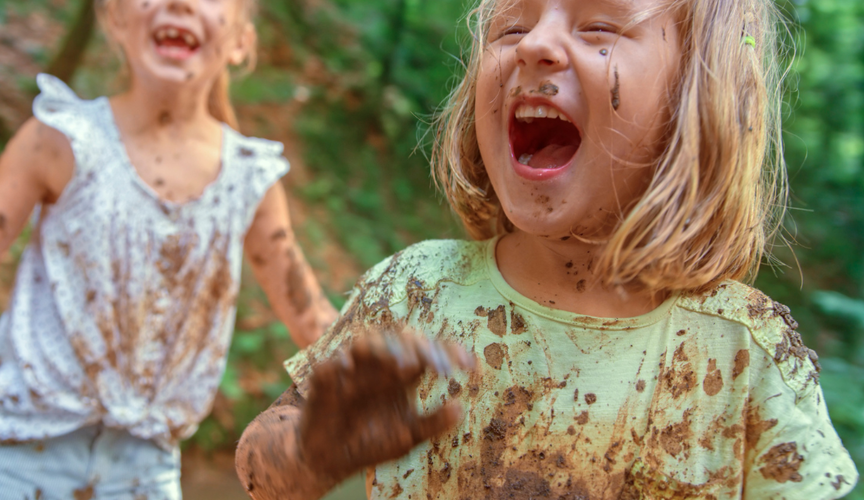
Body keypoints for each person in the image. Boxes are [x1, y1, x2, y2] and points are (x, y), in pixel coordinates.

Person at [233, 0, 860, 498]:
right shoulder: (415, 293)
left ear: (698, 94)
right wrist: (309, 455)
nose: (533, 44)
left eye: (598, 26)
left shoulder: (742, 350)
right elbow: (260, 470)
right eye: (510, 26)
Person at [0, 0, 339, 498]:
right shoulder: (60, 139)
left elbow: (316, 329)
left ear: (242, 41)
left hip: (142, 474)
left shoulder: (250, 179)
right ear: (115, 18)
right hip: (5, 459)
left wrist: (408, 363)